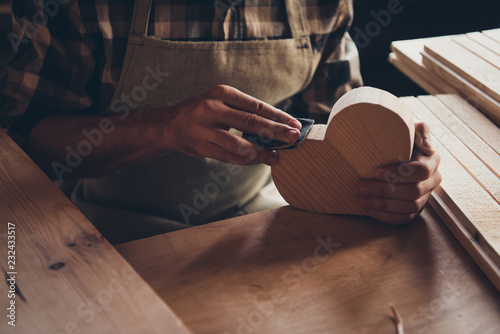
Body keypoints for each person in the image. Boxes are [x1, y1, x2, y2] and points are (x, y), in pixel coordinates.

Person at [0, 0, 441, 244]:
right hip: (111, 230)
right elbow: (23, 140)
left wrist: (399, 173)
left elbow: (348, 128)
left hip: (261, 223)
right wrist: (160, 127)